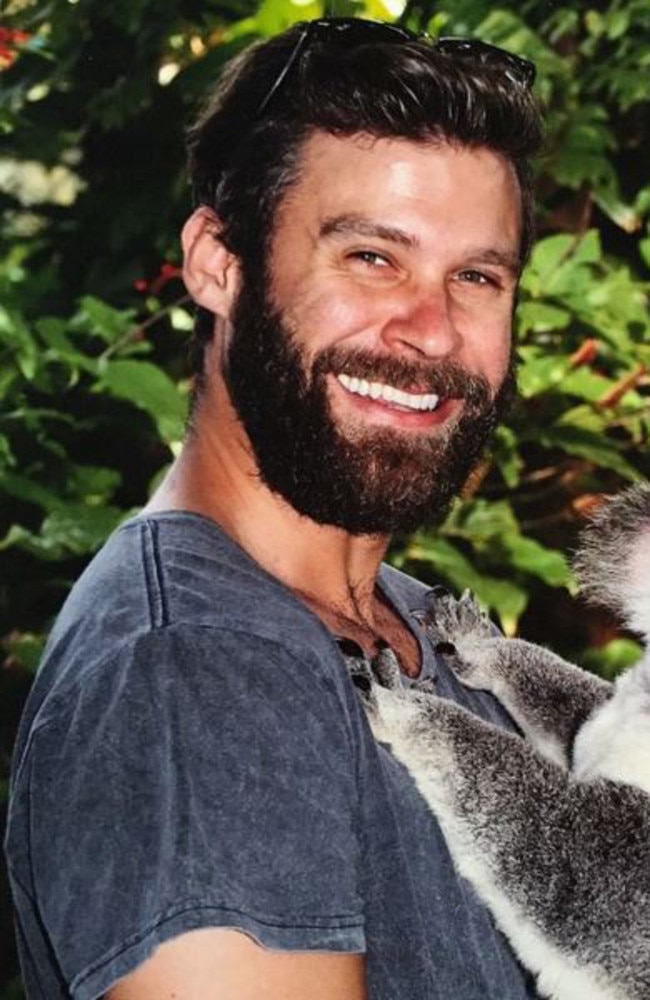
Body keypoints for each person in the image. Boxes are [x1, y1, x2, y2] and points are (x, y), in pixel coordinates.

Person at [5, 17, 544, 1000]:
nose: (428, 331)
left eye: (475, 276)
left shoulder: (424, 634)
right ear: (218, 263)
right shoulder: (197, 667)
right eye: (371, 257)